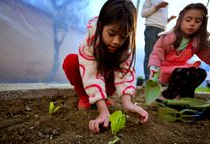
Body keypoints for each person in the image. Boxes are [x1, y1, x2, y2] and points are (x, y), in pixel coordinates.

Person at [62, 0, 148, 134]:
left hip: (107, 83)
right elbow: (90, 74)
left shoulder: (125, 49)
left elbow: (124, 75)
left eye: (123, 37)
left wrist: (127, 103)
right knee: (71, 61)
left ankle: (102, 98)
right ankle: (86, 98)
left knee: (114, 73)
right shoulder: (90, 41)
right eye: (111, 33)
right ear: (101, 25)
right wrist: (103, 110)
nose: (116, 41)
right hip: (88, 80)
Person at [148, 3, 210, 99]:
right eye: (188, 20)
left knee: (200, 73)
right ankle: (168, 95)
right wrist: (154, 66)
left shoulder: (197, 42)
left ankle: (186, 96)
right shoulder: (167, 38)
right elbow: (157, 54)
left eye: (197, 21)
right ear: (180, 21)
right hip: (165, 69)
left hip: (181, 68)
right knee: (181, 72)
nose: (192, 24)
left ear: (202, 24)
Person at [141, 0, 176, 81]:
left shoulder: (165, 2)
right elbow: (143, 14)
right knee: (149, 54)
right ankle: (148, 79)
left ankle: (158, 79)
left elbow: (160, 20)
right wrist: (158, 6)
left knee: (162, 56)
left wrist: (169, 19)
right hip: (151, 28)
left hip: (163, 30)